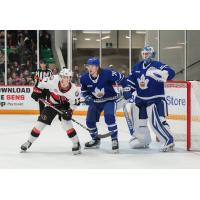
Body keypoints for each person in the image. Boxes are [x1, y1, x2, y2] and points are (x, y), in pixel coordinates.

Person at [125, 45, 175, 152]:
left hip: (155, 99)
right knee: (139, 122)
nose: (145, 56)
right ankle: (143, 140)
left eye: (147, 54)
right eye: (143, 53)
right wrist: (127, 90)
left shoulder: (158, 65)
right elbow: (131, 82)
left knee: (157, 121)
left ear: (152, 54)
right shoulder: (137, 67)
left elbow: (171, 72)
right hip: (140, 99)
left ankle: (168, 139)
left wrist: (161, 74)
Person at [20, 68, 81, 155]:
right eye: (63, 77)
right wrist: (36, 91)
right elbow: (41, 83)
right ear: (60, 77)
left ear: (70, 78)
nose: (65, 79)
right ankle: (29, 142)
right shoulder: (53, 79)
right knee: (40, 124)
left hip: (65, 106)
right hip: (52, 104)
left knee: (66, 124)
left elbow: (75, 103)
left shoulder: (74, 90)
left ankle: (76, 143)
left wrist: (70, 111)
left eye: (67, 77)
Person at [80, 57, 131, 153]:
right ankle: (95, 139)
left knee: (109, 117)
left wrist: (126, 88)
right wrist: (87, 97)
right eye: (88, 66)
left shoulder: (107, 73)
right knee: (89, 121)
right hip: (95, 102)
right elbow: (84, 90)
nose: (90, 68)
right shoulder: (84, 78)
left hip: (109, 100)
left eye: (92, 66)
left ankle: (114, 140)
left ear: (97, 67)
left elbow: (122, 78)